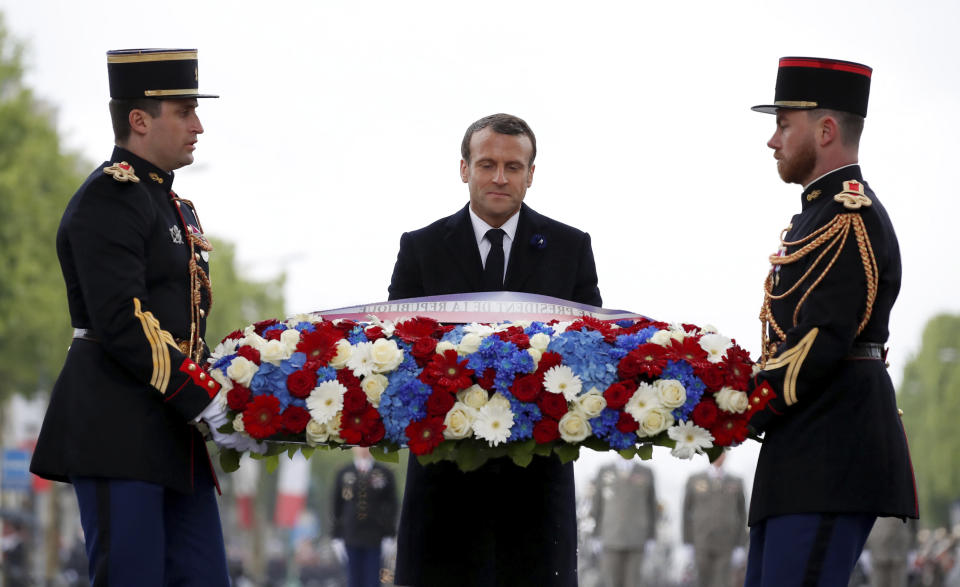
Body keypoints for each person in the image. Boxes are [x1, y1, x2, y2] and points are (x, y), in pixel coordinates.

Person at [29, 48, 242, 586]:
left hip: (172, 432)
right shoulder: (111, 196)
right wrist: (203, 398)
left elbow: (185, 326)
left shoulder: (170, 204)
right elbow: (122, 320)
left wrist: (238, 388)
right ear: (139, 120)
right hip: (116, 429)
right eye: (185, 111)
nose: (199, 125)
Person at [387, 113, 602, 586]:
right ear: (464, 169)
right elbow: (395, 350)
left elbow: (593, 352)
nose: (499, 177)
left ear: (531, 174)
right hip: (441, 483)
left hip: (538, 483)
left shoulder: (570, 248)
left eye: (513, 166)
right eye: (486, 164)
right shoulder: (420, 248)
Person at [743, 57, 919, 587]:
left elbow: (817, 340)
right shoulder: (817, 215)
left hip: (830, 452)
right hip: (805, 448)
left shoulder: (848, 215)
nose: (772, 141)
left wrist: (740, 406)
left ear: (824, 131)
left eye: (783, 125)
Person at [331, 447, 399, 587]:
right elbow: (336, 506)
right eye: (359, 445)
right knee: (353, 580)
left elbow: (392, 505)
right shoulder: (344, 472)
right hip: (350, 535)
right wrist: (336, 535)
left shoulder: (384, 473)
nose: (363, 449)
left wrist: (390, 534)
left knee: (372, 580)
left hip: (375, 537)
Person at [590, 458, 658, 587]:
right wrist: (595, 534)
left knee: (633, 581)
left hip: (637, 538)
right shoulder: (605, 470)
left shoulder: (645, 472)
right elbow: (597, 504)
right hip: (610, 536)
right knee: (611, 581)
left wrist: (651, 537)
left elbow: (652, 506)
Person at [682, 452, 747, 587]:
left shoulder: (736, 481)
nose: (719, 456)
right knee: (701, 581)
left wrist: (741, 544)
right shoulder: (694, 479)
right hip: (701, 541)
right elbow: (686, 512)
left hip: (727, 542)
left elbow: (742, 514)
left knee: (724, 582)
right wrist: (687, 541)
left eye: (722, 452)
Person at [863, 517, 917, 587]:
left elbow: (914, 520)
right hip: (879, 545)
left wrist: (913, 547)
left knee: (897, 580)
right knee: (879, 580)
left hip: (899, 546)